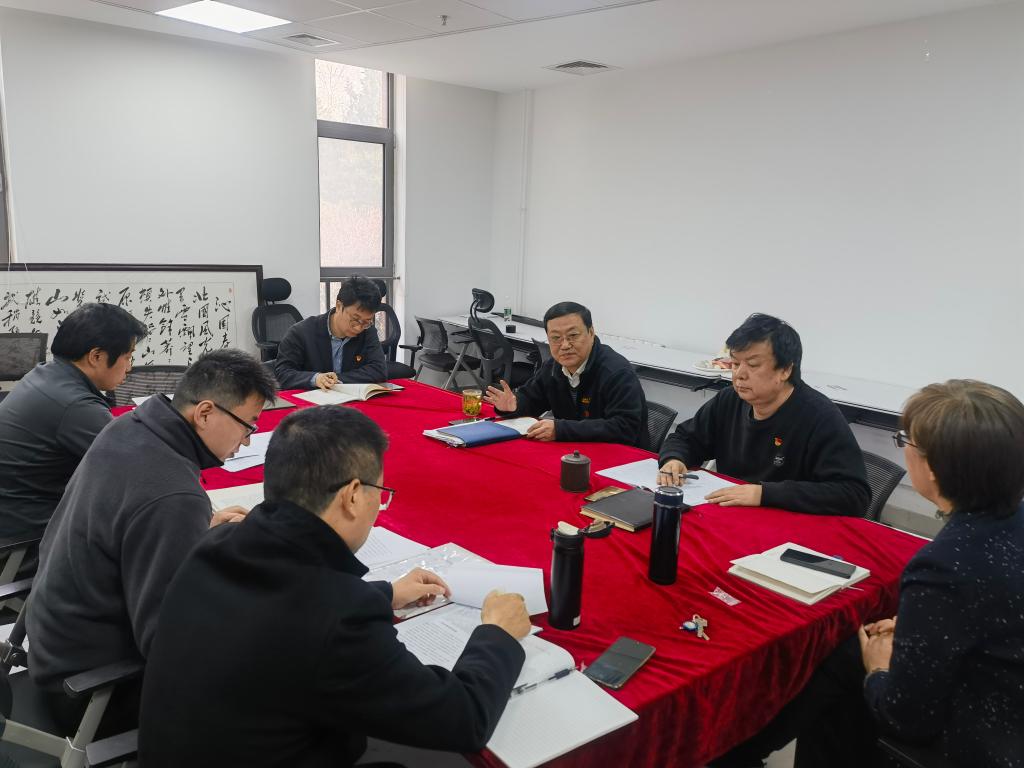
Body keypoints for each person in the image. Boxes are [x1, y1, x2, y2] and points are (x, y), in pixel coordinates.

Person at [138, 406, 530, 767]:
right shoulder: (339, 616)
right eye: (380, 494)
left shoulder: (217, 542)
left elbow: (287, 608)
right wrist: (497, 634)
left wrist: (386, 594)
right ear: (353, 496)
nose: (378, 509)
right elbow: (462, 719)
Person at [713, 379, 1024, 768]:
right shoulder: (1006, 523)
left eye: (906, 440)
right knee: (847, 649)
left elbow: (907, 716)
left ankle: (734, 751)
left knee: (848, 666)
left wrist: (878, 668)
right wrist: (917, 628)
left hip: (982, 736)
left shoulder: (943, 564)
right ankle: (740, 750)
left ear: (933, 468)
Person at [26, 348, 277, 733]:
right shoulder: (174, 497)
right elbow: (169, 645)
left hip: (52, 648)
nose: (246, 441)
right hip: (94, 691)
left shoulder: (130, 426)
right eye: (248, 426)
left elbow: (127, 527)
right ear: (205, 413)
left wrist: (196, 533)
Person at [658, 314, 869, 516]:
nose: (739, 374)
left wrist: (765, 494)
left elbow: (853, 494)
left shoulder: (819, 416)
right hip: (731, 513)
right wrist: (675, 459)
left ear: (785, 370)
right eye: (735, 364)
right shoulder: (729, 399)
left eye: (752, 365)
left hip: (788, 524)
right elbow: (685, 438)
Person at [0, 303, 147, 544]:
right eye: (128, 357)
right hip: (27, 539)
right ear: (96, 356)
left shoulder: (46, 373)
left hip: (16, 511)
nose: (129, 367)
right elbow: (139, 468)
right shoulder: (75, 405)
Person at [483, 301, 648, 447]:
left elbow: (625, 428)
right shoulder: (553, 367)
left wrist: (561, 430)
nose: (565, 345)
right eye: (556, 338)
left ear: (591, 332)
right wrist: (513, 406)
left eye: (573, 335)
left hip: (621, 457)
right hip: (573, 449)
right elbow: (532, 399)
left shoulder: (616, 372)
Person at [274, 275, 387, 390]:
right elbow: (282, 373)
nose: (359, 328)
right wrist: (316, 379)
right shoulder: (300, 333)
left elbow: (379, 369)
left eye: (366, 322)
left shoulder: (367, 331)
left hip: (350, 397)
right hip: (312, 398)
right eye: (355, 319)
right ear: (339, 306)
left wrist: (335, 380)